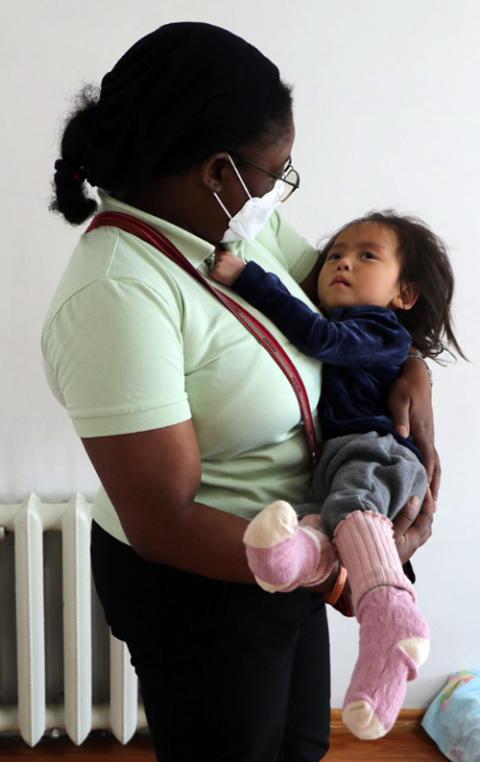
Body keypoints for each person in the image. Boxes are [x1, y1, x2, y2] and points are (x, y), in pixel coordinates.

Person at [42, 22, 438, 762]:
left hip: (293, 551)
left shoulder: (240, 227)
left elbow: (350, 302)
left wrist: (410, 367)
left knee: (299, 744)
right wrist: (333, 567)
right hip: (202, 584)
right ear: (216, 171)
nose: (276, 191)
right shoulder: (116, 295)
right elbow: (165, 518)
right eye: (273, 170)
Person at [210, 210, 464, 740]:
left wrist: (250, 279)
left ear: (405, 295)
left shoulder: (380, 331)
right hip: (347, 459)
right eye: (335, 255)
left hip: (376, 454)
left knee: (349, 509)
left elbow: (320, 338)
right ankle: (299, 555)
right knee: (325, 518)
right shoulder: (367, 326)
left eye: (367, 255)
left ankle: (390, 609)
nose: (343, 262)